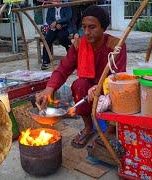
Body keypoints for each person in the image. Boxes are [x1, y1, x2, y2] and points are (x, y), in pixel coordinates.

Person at [35, 5, 127, 148]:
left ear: (103, 28)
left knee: (122, 93)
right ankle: (88, 127)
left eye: (92, 27)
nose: (86, 32)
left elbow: (119, 77)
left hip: (109, 90)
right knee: (79, 85)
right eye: (83, 27)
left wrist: (101, 86)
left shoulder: (116, 45)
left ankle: (110, 130)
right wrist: (49, 89)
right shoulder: (79, 45)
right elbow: (63, 69)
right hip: (87, 91)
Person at [41, 0, 72, 70]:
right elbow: (48, 19)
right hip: (54, 27)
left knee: (62, 37)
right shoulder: (51, 7)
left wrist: (58, 22)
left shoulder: (66, 6)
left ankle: (71, 56)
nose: (55, 4)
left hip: (65, 26)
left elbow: (68, 17)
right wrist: (53, 24)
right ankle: (46, 62)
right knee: (47, 40)